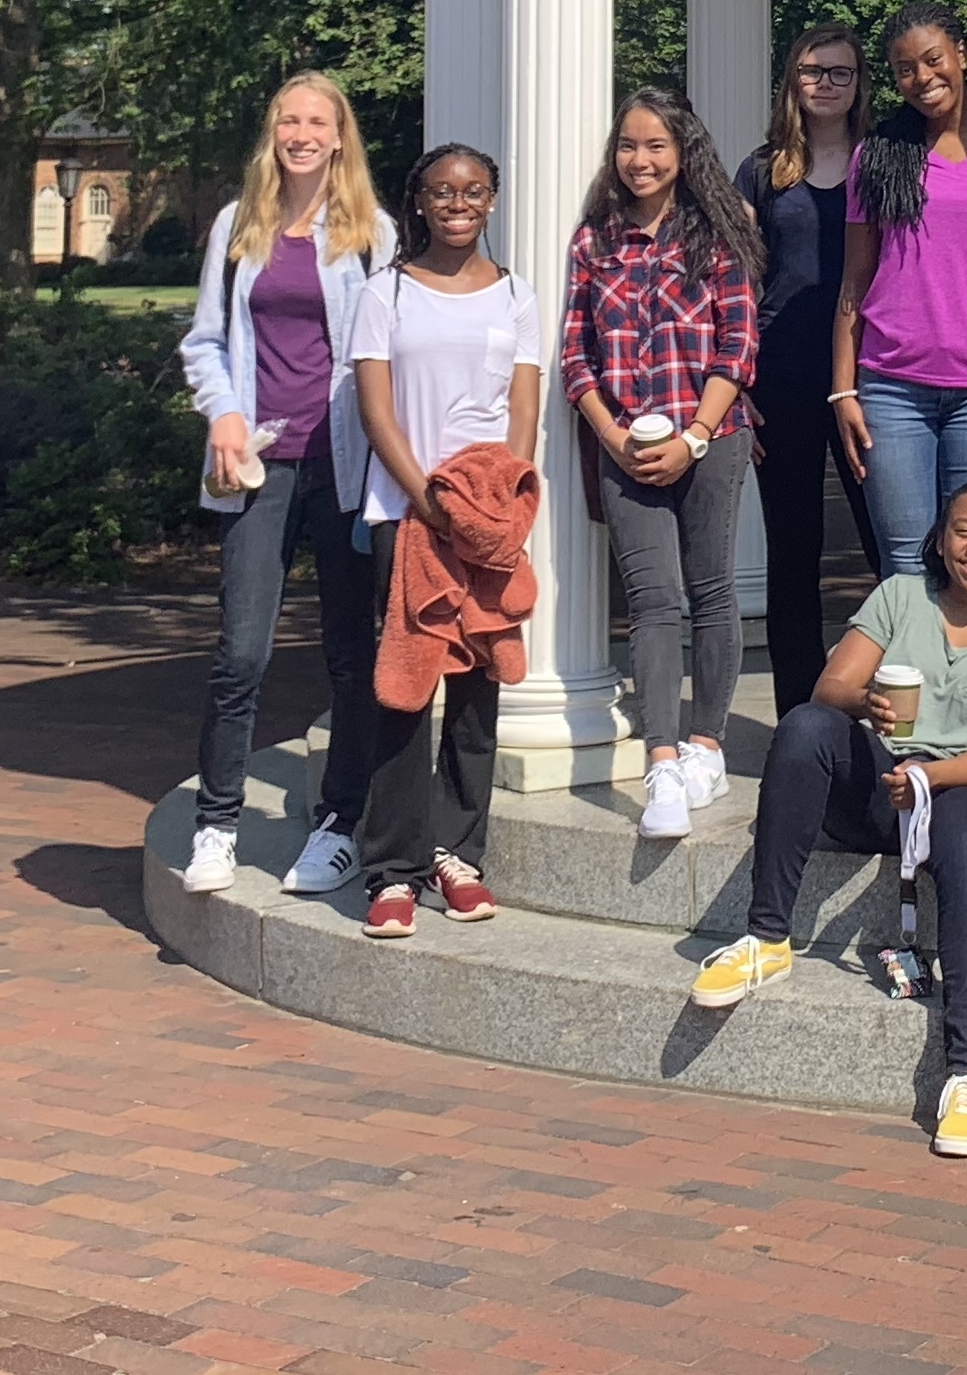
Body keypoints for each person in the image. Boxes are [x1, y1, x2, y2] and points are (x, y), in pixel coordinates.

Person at [688, 484, 967, 1158]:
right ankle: (766, 939)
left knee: (966, 836)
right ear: (941, 541)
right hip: (882, 782)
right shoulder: (899, 597)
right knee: (805, 727)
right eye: (963, 530)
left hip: (964, 787)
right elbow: (830, 688)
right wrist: (869, 704)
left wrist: (931, 776)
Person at [177, 72, 395, 898]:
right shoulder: (240, 226)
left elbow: (388, 351)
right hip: (258, 466)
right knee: (241, 651)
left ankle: (338, 823)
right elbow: (205, 342)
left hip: (343, 468)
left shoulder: (372, 234)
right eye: (287, 121)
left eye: (316, 122)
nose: (301, 133)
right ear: (273, 134)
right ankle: (217, 824)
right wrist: (225, 415)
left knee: (352, 654)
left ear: (340, 137)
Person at [348, 143, 547, 938]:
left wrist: (502, 507)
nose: (458, 202)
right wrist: (428, 502)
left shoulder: (517, 298)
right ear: (419, 202)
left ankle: (457, 852)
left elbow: (523, 411)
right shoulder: (385, 292)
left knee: (478, 688)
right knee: (403, 688)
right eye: (442, 191)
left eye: (473, 190)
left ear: (493, 199)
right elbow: (377, 411)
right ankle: (392, 868)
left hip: (489, 524)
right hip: (410, 516)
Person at [560, 86, 762, 842]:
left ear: (683, 154)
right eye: (628, 146)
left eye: (655, 146)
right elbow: (575, 354)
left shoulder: (716, 234)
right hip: (625, 445)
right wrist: (614, 438)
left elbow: (737, 346)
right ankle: (662, 757)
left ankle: (707, 743)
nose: (640, 160)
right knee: (652, 599)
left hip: (711, 436)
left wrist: (694, 437)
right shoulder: (595, 241)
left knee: (711, 589)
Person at [829, 2, 967, 576]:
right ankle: (911, 671)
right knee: (907, 565)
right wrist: (844, 392)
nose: (922, 78)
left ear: (961, 56)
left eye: (933, 60)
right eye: (905, 69)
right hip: (892, 391)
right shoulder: (879, 157)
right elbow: (854, 282)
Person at [737, 21, 871, 712]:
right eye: (813, 71)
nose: (825, 83)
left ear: (858, 85)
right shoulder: (762, 169)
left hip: (870, 378)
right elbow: (735, 278)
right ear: (793, 81)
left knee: (891, 546)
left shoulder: (883, 161)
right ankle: (799, 719)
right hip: (779, 379)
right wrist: (735, 386)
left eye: (840, 72)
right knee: (794, 555)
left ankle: (904, 708)